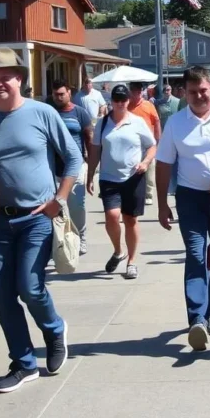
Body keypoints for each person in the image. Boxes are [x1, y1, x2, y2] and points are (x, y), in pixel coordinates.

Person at [0, 47, 81, 393]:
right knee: (2, 297)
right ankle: (23, 363)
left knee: (30, 287)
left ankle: (54, 329)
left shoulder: (42, 113)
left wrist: (58, 201)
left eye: (5, 76)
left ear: (20, 78)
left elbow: (73, 159)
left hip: (36, 219)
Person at [155, 66, 210, 351]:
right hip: (190, 198)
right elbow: (164, 164)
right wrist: (163, 203)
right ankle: (196, 318)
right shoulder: (176, 123)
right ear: (183, 93)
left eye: (203, 90)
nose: (199, 96)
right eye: (192, 92)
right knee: (195, 253)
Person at [88, 84, 157, 280]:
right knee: (112, 216)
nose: (119, 103)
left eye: (123, 100)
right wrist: (90, 174)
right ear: (111, 101)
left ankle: (132, 261)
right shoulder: (102, 124)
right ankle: (119, 250)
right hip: (109, 178)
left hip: (133, 178)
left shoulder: (137, 122)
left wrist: (145, 162)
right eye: (116, 100)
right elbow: (95, 151)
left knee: (130, 219)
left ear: (128, 101)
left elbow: (152, 146)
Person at [50, 80, 93, 255]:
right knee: (56, 208)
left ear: (70, 93)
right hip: (53, 168)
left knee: (76, 206)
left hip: (76, 167)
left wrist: (91, 169)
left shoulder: (80, 113)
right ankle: (60, 241)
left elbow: (89, 138)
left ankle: (81, 236)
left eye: (61, 94)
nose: (58, 97)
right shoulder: (49, 112)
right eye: (55, 94)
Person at [127, 81, 162, 206]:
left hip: (148, 142)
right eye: (133, 90)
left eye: (138, 90)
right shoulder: (127, 106)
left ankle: (148, 194)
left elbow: (156, 121)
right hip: (132, 142)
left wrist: (158, 139)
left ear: (141, 91)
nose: (136, 93)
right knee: (133, 167)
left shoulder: (148, 105)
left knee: (150, 167)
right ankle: (132, 191)